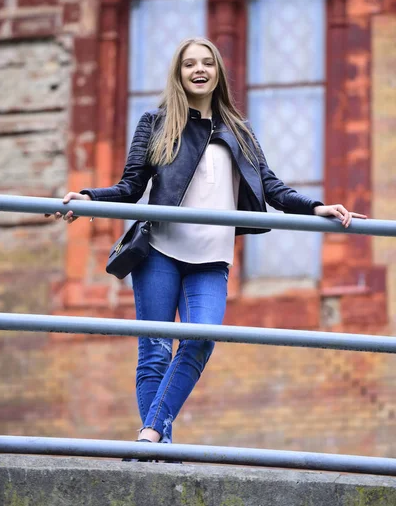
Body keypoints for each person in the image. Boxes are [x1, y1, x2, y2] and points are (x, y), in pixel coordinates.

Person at [46, 37, 366, 453]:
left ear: (217, 73)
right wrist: (90, 198)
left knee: (200, 338)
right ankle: (158, 447)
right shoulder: (156, 123)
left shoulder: (239, 130)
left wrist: (318, 207)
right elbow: (130, 187)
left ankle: (151, 435)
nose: (199, 70)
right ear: (178, 75)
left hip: (211, 259)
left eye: (207, 63)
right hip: (158, 251)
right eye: (189, 64)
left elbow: (272, 188)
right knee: (156, 354)